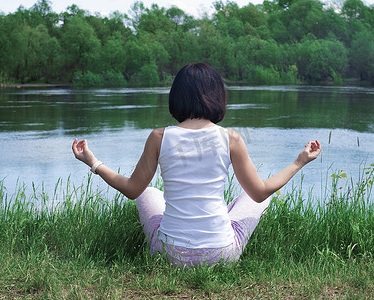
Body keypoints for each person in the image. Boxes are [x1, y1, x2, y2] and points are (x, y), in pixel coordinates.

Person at [72, 62, 321, 268]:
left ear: (177, 97)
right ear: (217, 96)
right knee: (259, 197)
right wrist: (299, 161)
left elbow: (131, 189)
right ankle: (219, 220)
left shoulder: (159, 137)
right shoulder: (231, 138)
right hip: (222, 253)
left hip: (169, 254)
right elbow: (260, 192)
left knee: (147, 192)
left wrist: (93, 161)